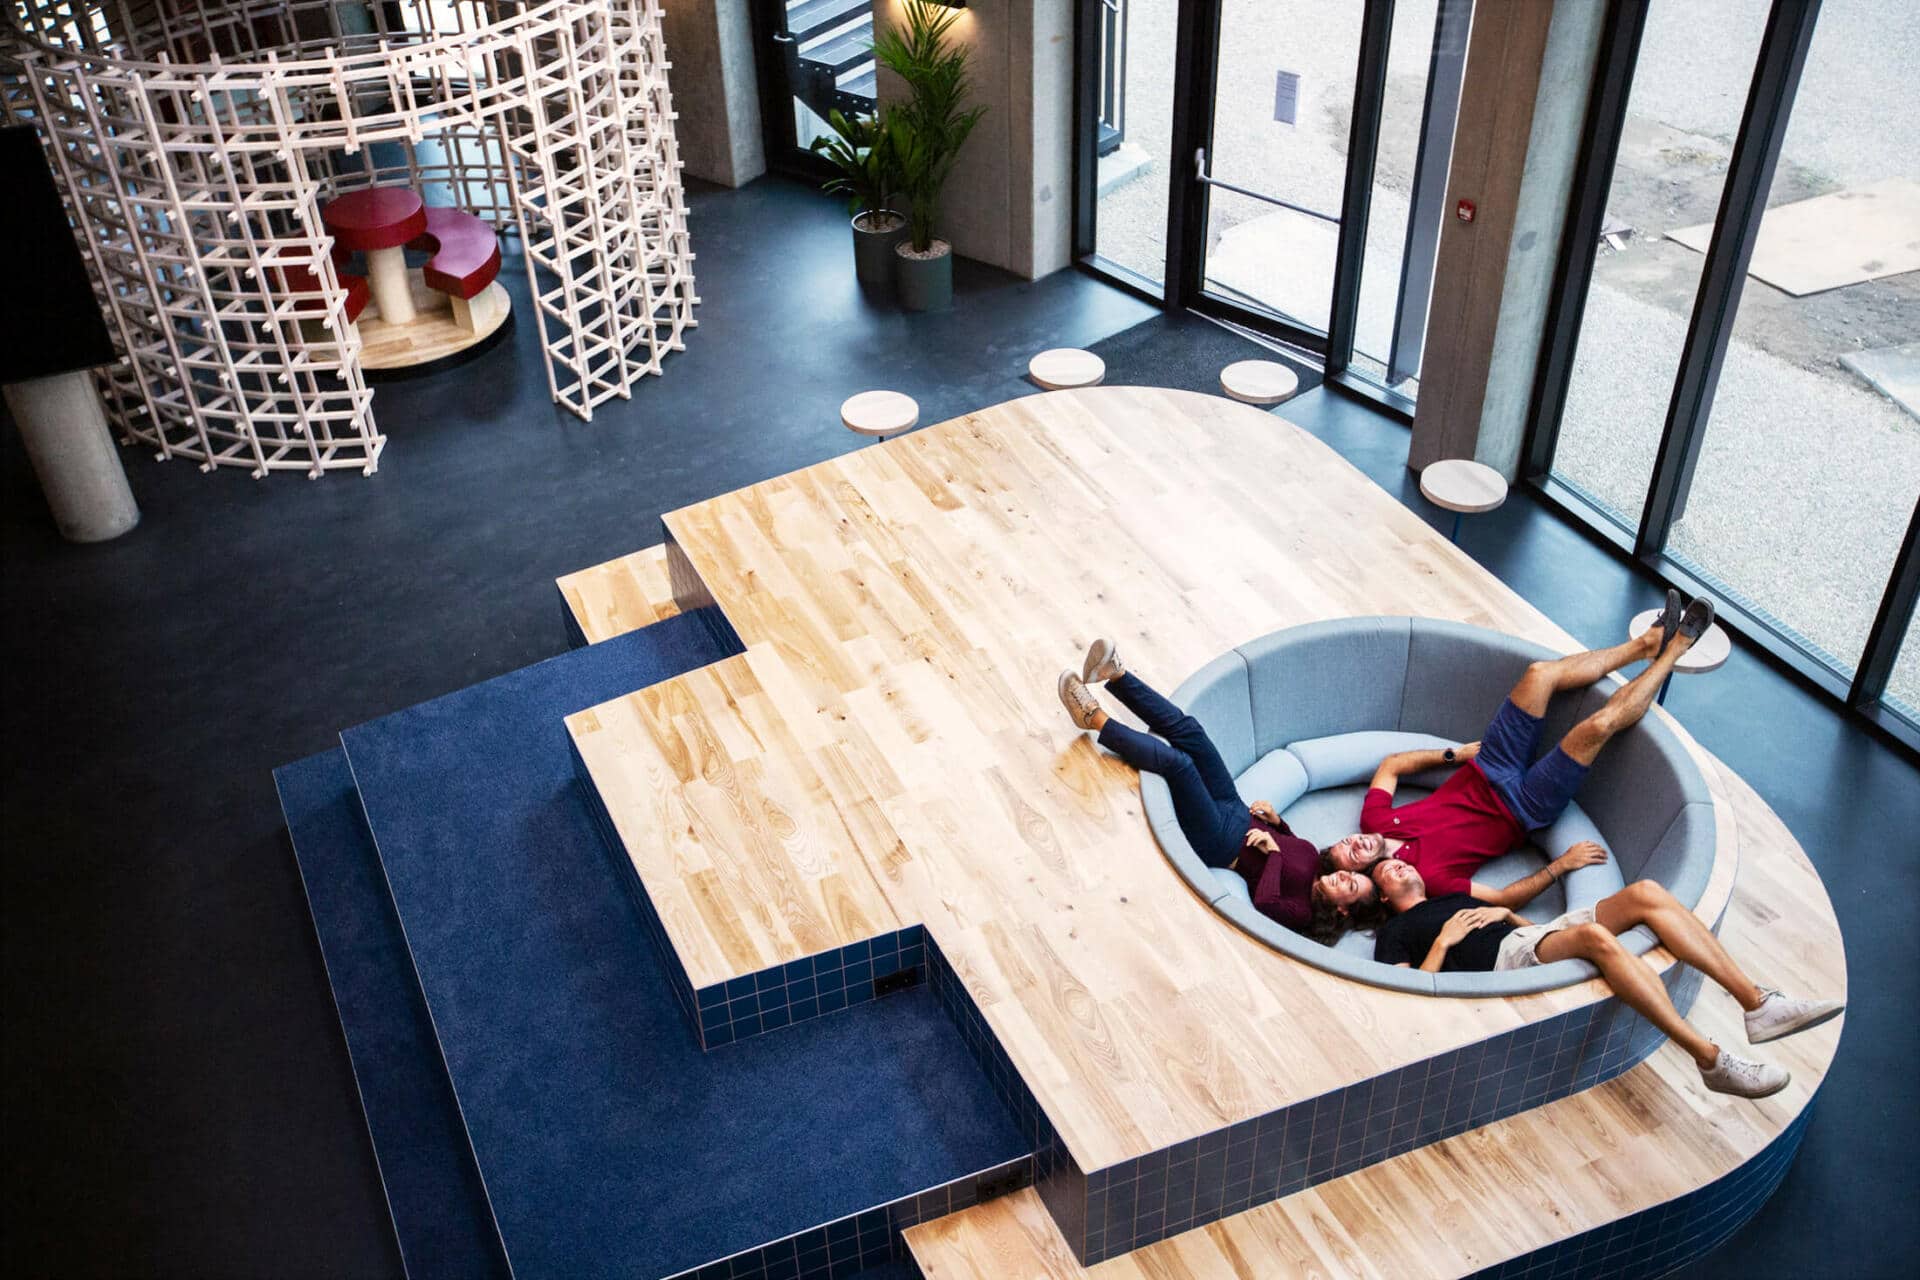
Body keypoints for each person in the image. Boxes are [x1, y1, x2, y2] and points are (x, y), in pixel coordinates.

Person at [1322, 590, 1714, 906]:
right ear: (1366, 877)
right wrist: (1560, 866)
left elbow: (1391, 765)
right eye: (1355, 854)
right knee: (1597, 726)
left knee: (1538, 674)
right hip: (1525, 807)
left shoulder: (1373, 821)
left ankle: (1648, 643)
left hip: (1487, 767)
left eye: (1347, 841)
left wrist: (1455, 755)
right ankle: (1678, 646)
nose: (1356, 842)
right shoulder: (1427, 882)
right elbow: (1504, 898)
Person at [1369, 857, 1844, 1098]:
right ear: (1385, 899)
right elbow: (1411, 996)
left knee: (1646, 893)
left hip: (1529, 935)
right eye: (1385, 872)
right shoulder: (1394, 932)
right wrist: (1443, 942)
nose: (1397, 863)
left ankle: (1757, 1003)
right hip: (1504, 965)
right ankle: (1712, 1060)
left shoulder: (1450, 892)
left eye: (1398, 860)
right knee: (1596, 938)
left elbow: (1512, 909)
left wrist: (1506, 914)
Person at [1057, 638, 1384, 941]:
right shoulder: (1317, 861)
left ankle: (1093, 717)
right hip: (1235, 809)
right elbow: (1288, 842)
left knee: (1180, 765)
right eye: (1350, 875)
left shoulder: (1303, 913)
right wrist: (1276, 823)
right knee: (1193, 733)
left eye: (1351, 885)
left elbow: (1265, 903)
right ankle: (1117, 676)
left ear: (1344, 910)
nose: (1343, 877)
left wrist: (1272, 855)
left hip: (1219, 842)